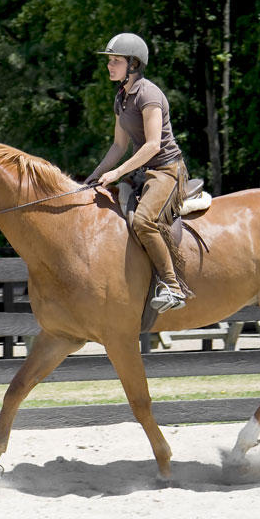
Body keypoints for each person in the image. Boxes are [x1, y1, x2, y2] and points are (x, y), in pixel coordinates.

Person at [86, 33, 189, 313]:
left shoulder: (149, 95)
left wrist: (117, 173)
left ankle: (173, 287)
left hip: (167, 171)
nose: (110, 66)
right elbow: (119, 145)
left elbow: (153, 145)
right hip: (142, 172)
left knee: (144, 221)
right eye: (109, 61)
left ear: (133, 64)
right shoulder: (121, 98)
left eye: (115, 61)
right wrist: (93, 177)